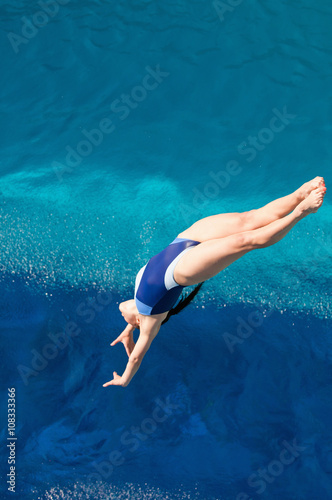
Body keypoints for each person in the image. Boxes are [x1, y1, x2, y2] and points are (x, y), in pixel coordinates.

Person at [103, 177, 326, 388]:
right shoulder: (150, 322)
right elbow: (137, 358)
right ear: (142, 324)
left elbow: (132, 311)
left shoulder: (137, 309)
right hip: (181, 270)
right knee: (245, 241)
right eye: (130, 322)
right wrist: (125, 379)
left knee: (248, 218)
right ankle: (301, 211)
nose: (121, 312)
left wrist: (128, 330)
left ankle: (299, 193)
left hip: (183, 240)